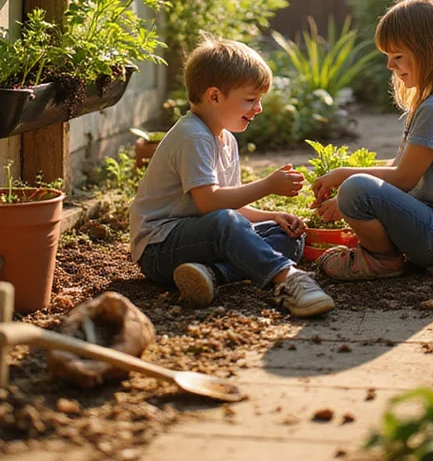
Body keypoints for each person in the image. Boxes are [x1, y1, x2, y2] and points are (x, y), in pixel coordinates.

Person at [130, 37, 335, 317]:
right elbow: (209, 203)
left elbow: (231, 206)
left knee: (288, 236)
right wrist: (268, 186)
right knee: (226, 223)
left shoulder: (226, 139)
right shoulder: (193, 136)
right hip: (160, 249)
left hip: (202, 239)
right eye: (251, 100)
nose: (258, 108)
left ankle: (212, 275)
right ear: (214, 97)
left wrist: (270, 216)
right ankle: (289, 280)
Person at [312, 0, 433, 281]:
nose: (389, 66)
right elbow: (402, 166)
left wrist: (344, 175)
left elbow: (403, 178)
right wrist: (350, 201)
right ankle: (381, 250)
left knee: (356, 187)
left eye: (397, 56)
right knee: (357, 190)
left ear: (432, 52)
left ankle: (381, 260)